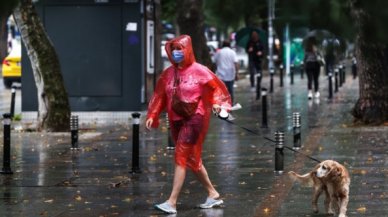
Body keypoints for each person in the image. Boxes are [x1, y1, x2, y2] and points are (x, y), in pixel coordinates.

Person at [146, 35, 232, 214]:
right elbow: (160, 95)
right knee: (191, 158)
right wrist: (153, 114)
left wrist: (217, 104)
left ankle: (172, 202)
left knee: (180, 155)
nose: (176, 52)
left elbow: (216, 88)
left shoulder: (200, 71)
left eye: (180, 48)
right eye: (173, 49)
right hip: (176, 120)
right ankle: (213, 193)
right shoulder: (168, 74)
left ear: (188, 50)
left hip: (195, 118)